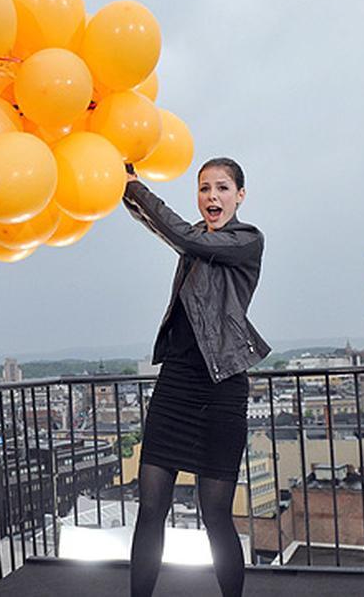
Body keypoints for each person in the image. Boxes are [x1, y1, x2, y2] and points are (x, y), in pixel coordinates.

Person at [122, 157, 271, 597]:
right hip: (177, 383)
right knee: (150, 507)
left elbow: (178, 233)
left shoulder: (246, 240)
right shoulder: (194, 242)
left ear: (240, 195)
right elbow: (163, 228)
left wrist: (136, 188)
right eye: (204, 189)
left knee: (215, 514)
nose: (212, 197)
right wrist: (123, 186)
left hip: (221, 386)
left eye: (222, 188)